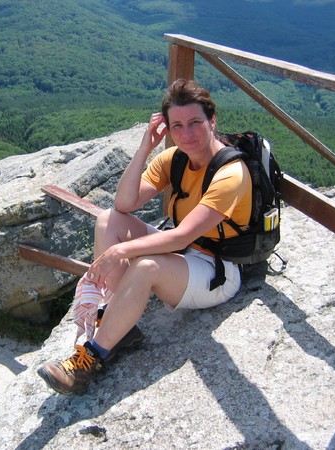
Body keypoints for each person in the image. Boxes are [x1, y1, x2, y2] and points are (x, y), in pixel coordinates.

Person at [37, 79, 252, 395]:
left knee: (145, 266)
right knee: (108, 221)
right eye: (177, 126)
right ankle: (121, 327)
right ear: (168, 129)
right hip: (186, 255)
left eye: (195, 122)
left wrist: (118, 252)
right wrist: (145, 148)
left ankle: (91, 360)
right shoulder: (175, 159)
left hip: (218, 271)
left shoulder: (231, 174)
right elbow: (124, 204)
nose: (187, 133)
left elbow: (181, 237)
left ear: (212, 121)